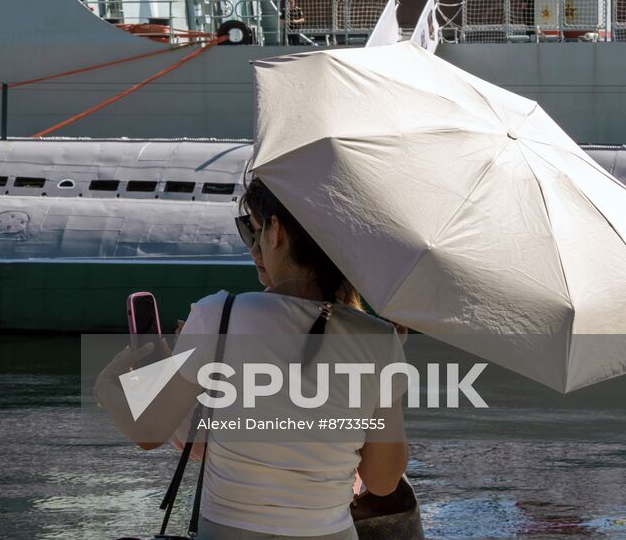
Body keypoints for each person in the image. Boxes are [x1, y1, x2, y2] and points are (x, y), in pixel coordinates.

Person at [96, 180, 409, 540]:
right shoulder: (379, 339)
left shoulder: (219, 315)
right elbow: (383, 481)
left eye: (254, 231)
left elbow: (149, 432)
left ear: (276, 231)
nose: (253, 249)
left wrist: (107, 388)